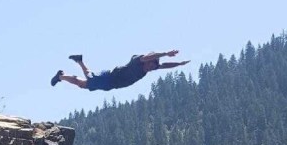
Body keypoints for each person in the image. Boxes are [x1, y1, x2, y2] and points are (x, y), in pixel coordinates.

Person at [51, 50, 190, 91]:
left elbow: (164, 66)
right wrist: (165, 53)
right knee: (87, 79)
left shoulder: (148, 69)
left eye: (152, 68)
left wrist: (179, 64)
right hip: (110, 78)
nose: (150, 69)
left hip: (111, 84)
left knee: (83, 84)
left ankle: (63, 75)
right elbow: (149, 57)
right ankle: (76, 63)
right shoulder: (137, 61)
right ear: (147, 61)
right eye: (150, 66)